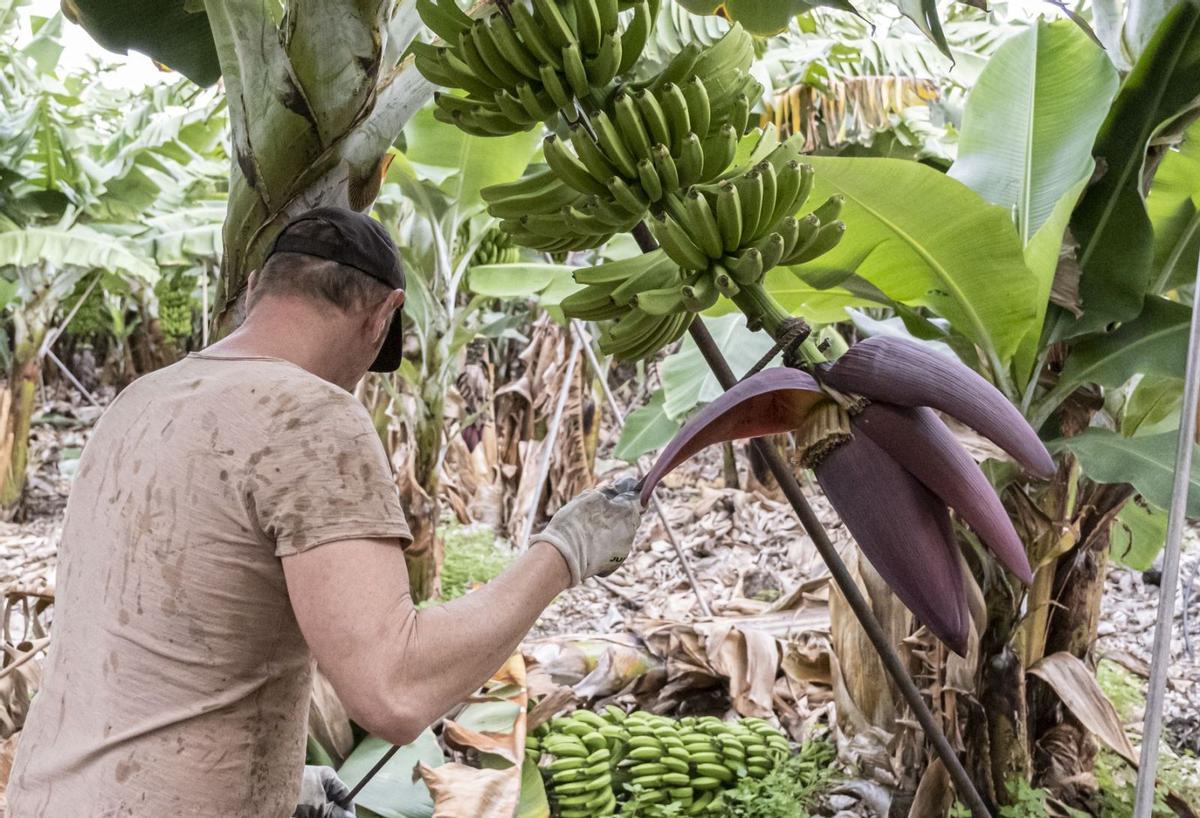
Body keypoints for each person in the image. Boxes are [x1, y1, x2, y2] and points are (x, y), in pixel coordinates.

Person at [6, 207, 643, 817]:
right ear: (384, 314)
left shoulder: (144, 399)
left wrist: (281, 780)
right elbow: (393, 689)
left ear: (257, 287)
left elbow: (157, 640)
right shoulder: (311, 414)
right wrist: (565, 552)